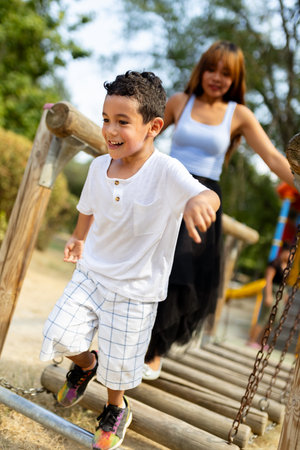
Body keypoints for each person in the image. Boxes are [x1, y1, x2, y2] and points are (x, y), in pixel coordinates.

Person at [39, 70, 220, 450]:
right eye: (106, 119)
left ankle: (115, 408)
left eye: (123, 121)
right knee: (58, 331)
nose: (110, 130)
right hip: (92, 273)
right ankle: (86, 365)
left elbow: (203, 195)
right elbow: (88, 207)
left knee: (120, 366)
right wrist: (77, 237)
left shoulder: (167, 171)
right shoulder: (97, 167)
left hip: (136, 289)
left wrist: (202, 202)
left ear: (154, 126)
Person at [143, 40, 295, 380]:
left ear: (236, 79)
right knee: (147, 265)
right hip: (168, 187)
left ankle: (153, 351)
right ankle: (130, 341)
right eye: (211, 68)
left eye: (226, 73)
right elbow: (145, 135)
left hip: (204, 198)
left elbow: (272, 158)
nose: (216, 77)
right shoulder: (180, 102)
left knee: (181, 271)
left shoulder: (238, 114)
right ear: (201, 69)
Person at [247, 243, 291, 348]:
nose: (290, 255)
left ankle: (262, 342)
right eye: (288, 252)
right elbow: (268, 280)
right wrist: (267, 295)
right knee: (264, 317)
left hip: (281, 292)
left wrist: (286, 295)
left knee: (275, 319)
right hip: (272, 291)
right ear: (284, 252)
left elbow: (285, 283)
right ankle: (251, 340)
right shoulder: (274, 264)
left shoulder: (288, 266)